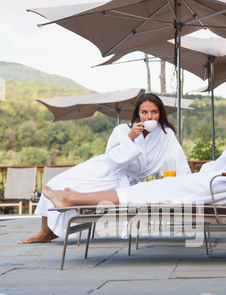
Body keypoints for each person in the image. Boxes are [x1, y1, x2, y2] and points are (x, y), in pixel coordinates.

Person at [42, 66, 226, 214]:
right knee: (158, 189)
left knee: (155, 190)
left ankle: (74, 199)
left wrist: (208, 169)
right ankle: (76, 197)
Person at [19, 93, 191, 244]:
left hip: (125, 181)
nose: (149, 117)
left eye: (154, 112)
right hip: (103, 170)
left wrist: (183, 187)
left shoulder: (166, 136)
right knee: (54, 182)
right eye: (144, 112)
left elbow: (177, 162)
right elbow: (114, 161)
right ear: (138, 113)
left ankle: (52, 229)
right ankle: (44, 233)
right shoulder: (122, 130)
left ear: (160, 113)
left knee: (71, 192)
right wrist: (130, 138)